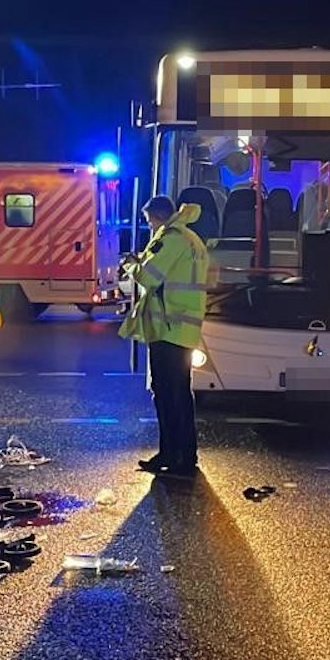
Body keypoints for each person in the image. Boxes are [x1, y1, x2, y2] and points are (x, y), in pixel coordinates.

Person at [120, 195, 210, 478]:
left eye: (149, 222)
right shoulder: (193, 239)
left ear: (158, 217)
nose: (149, 227)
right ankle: (182, 454)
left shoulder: (170, 239)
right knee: (180, 393)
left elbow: (148, 277)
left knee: (168, 394)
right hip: (182, 327)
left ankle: (175, 455)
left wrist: (131, 265)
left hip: (168, 327)